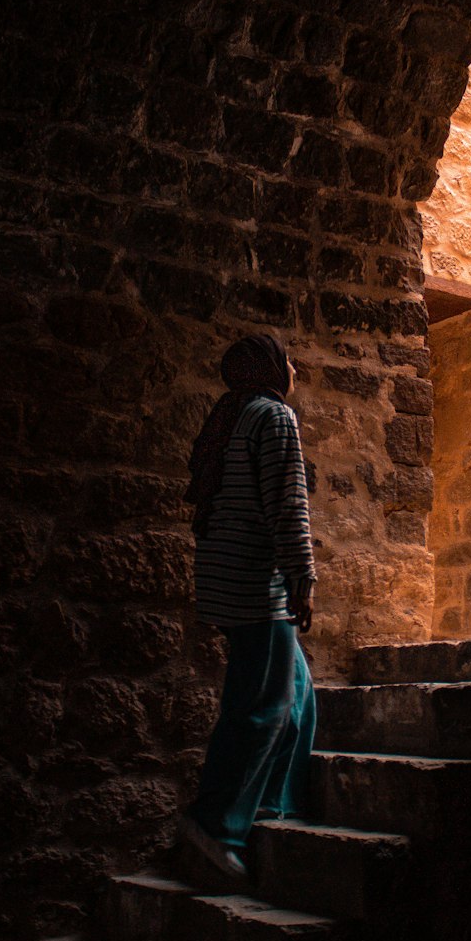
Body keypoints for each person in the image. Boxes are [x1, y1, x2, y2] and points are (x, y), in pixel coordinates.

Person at [178, 332, 317, 882]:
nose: (296, 368)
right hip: (259, 588)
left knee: (298, 698)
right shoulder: (273, 417)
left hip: (226, 584)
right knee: (261, 709)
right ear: (271, 367)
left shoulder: (228, 416)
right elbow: (287, 507)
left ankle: (272, 808)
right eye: (289, 360)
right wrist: (302, 578)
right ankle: (215, 826)